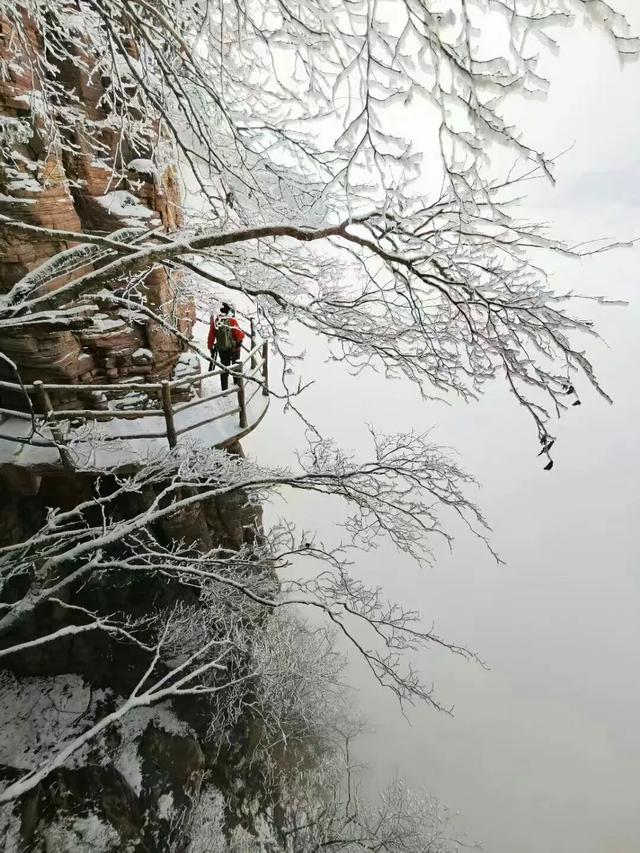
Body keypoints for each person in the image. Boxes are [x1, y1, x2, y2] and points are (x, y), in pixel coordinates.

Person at [207, 303, 245, 391]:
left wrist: (210, 347)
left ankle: (224, 389)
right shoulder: (232, 321)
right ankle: (237, 383)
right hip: (234, 349)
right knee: (236, 366)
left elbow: (211, 336)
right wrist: (241, 338)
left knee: (224, 368)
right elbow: (239, 334)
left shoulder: (216, 322)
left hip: (222, 349)